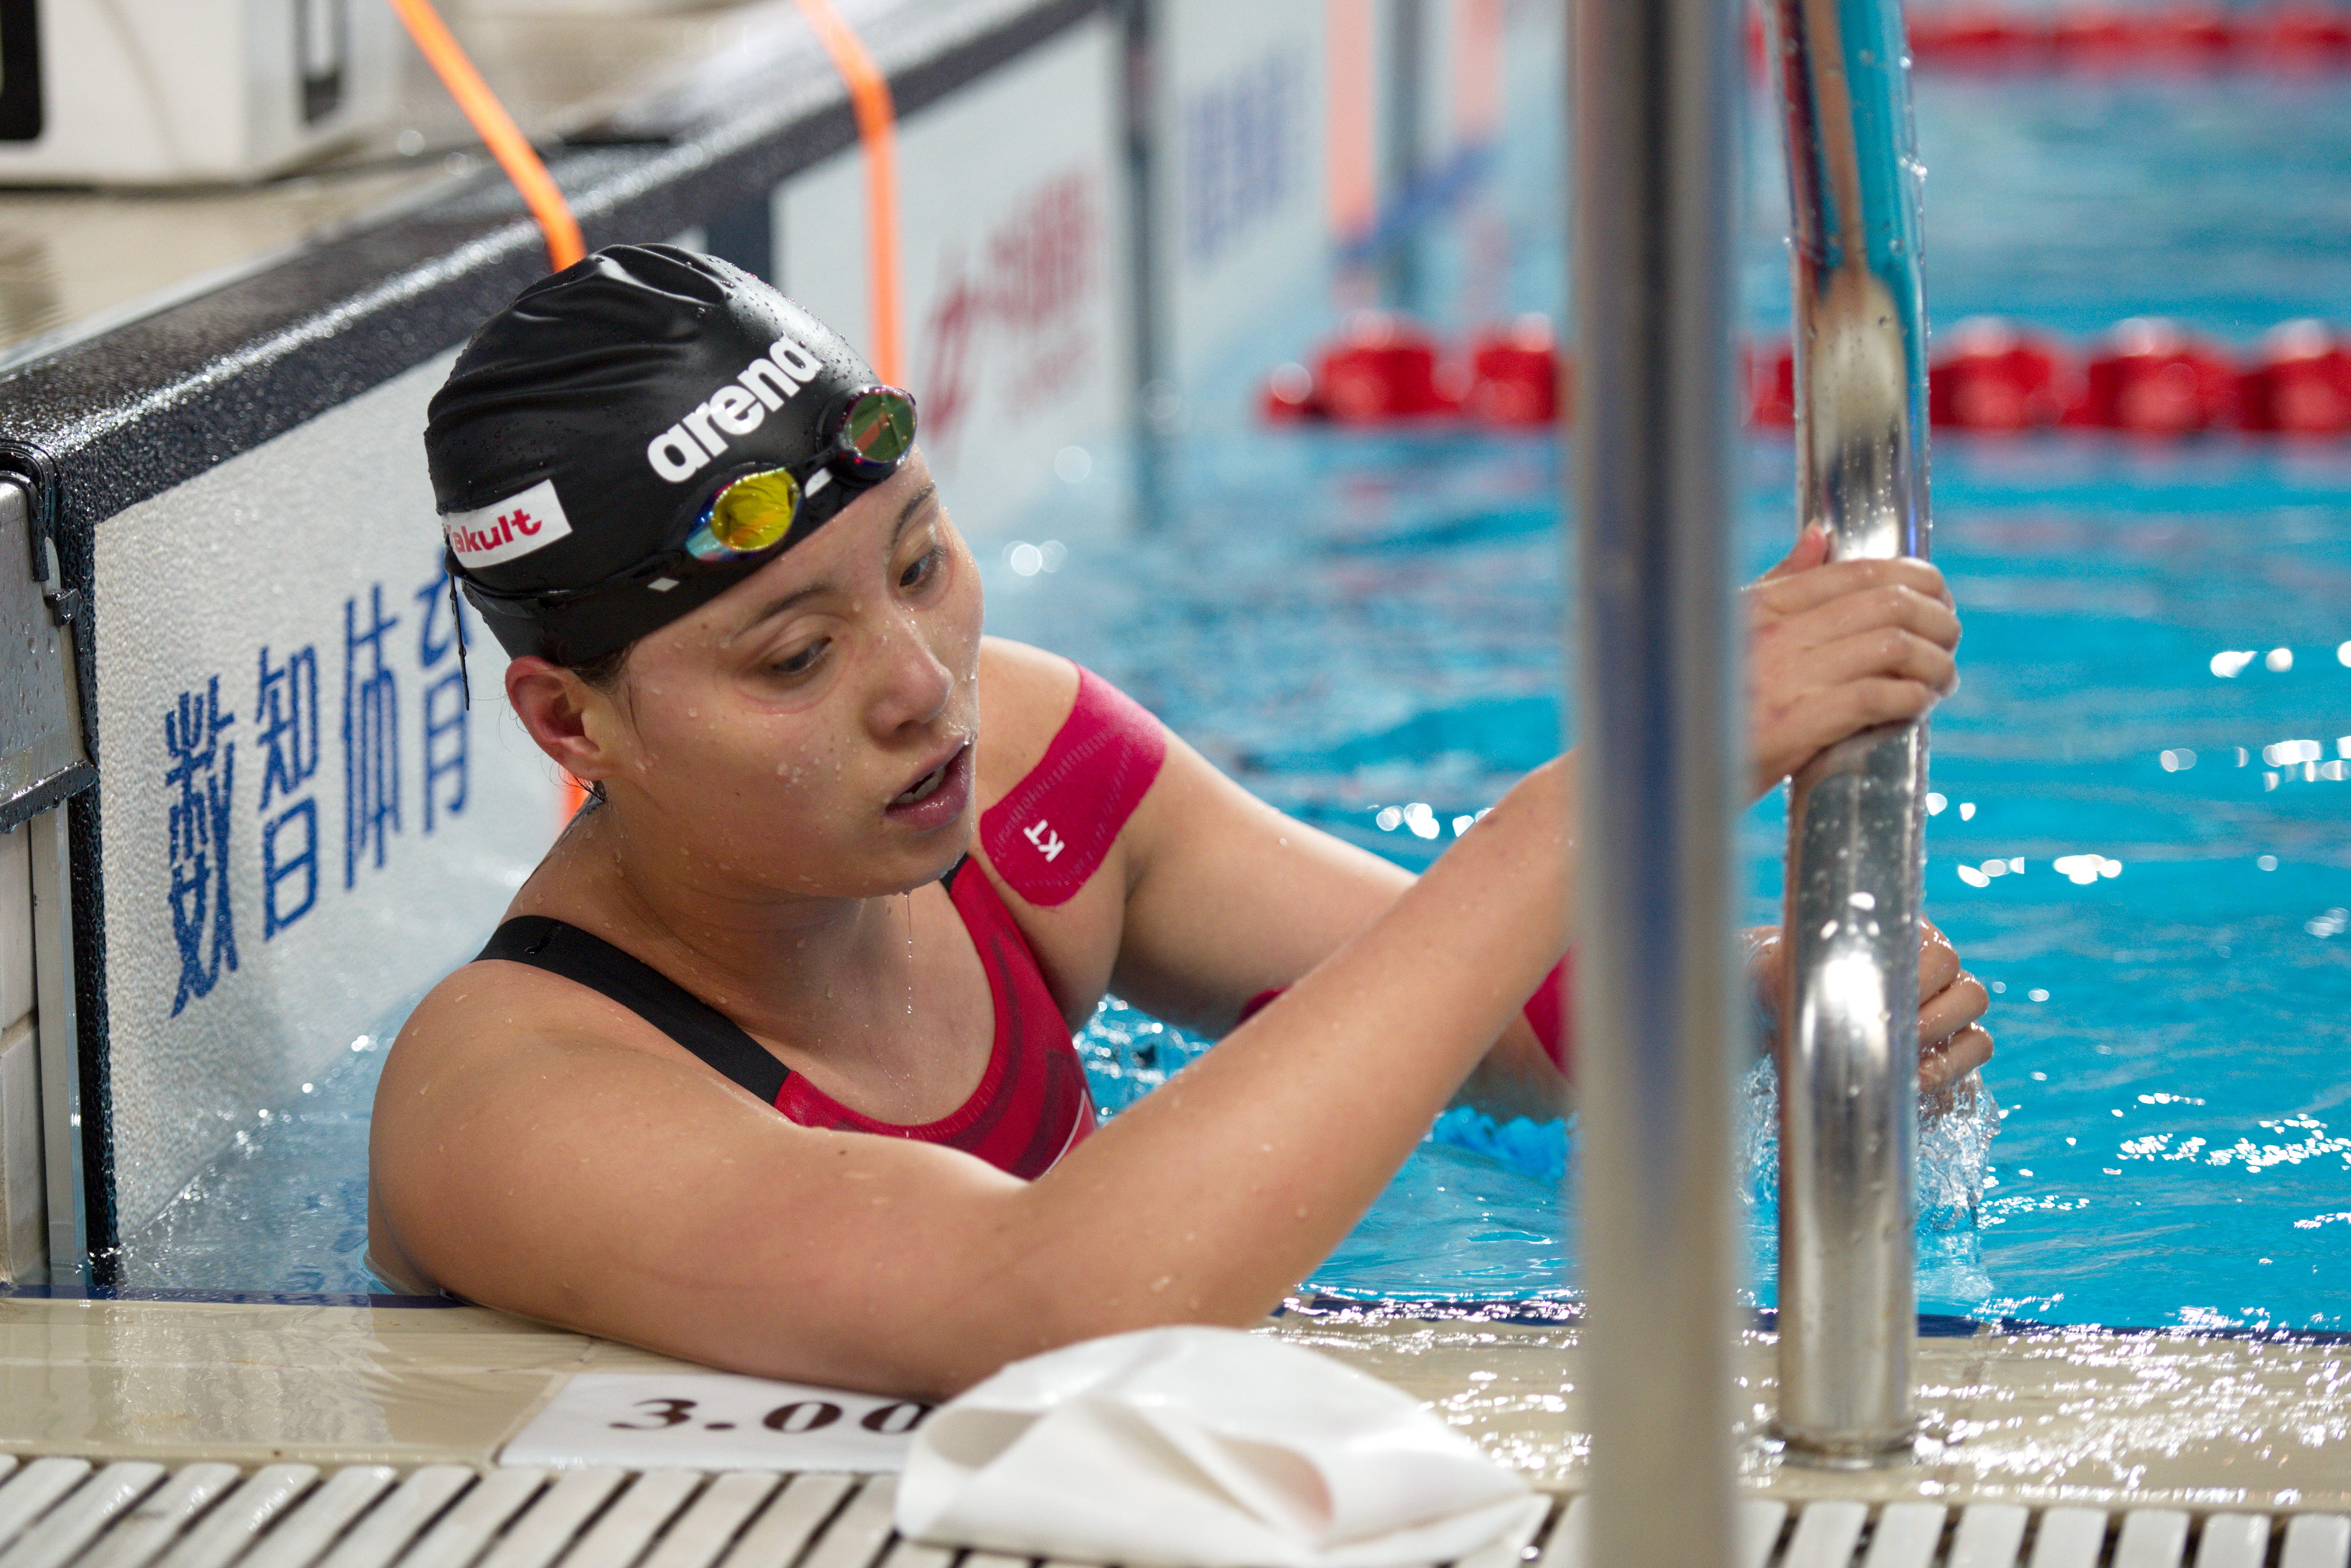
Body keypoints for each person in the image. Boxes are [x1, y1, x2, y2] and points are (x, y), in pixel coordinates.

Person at [368, 245, 1990, 1395]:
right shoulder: (512, 1107)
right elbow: (1051, 1308)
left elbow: (1512, 1029)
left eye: (921, 562)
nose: (925, 685)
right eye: (795, 655)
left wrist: (1767, 997)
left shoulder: (1021, 782)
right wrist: (1614, 790)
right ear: (574, 724)